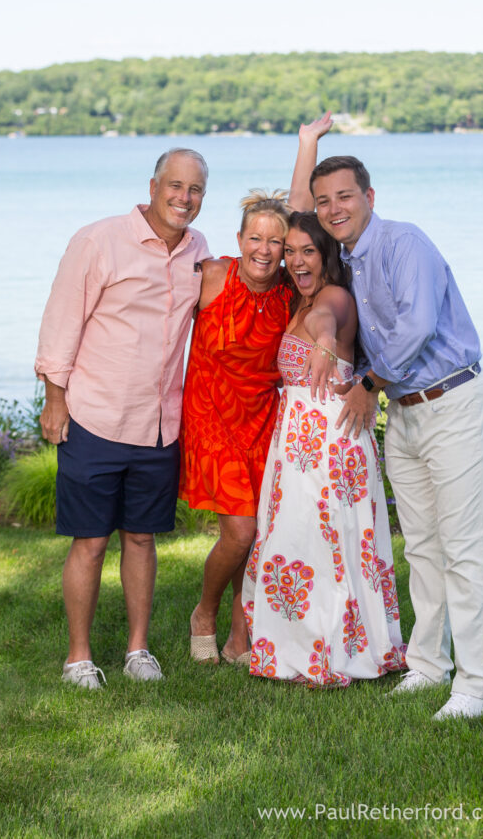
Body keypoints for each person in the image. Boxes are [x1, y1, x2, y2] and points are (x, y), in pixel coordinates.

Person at [289, 115, 483, 719]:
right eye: (325, 201)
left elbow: (417, 326)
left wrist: (368, 383)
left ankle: (475, 686)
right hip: (404, 413)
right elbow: (294, 216)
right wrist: (307, 145)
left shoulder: (404, 243)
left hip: (451, 402)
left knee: (464, 550)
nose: (333, 209)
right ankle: (428, 665)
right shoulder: (345, 257)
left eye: (345, 196)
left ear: (369, 197)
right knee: (423, 548)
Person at [35, 148, 211, 689]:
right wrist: (55, 399)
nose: (184, 198)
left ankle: (138, 649)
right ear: (153, 186)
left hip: (159, 425)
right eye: (175, 186)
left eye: (195, 189)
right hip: (96, 416)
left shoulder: (199, 251)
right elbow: (61, 320)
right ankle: (78, 658)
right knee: (90, 541)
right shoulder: (99, 241)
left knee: (141, 539)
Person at [242, 212, 407, 685]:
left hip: (326, 443)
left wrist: (326, 337)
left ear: (327, 254)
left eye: (308, 251)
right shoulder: (302, 298)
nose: (296, 260)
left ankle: (324, 652)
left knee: (318, 545)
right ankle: (305, 644)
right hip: (301, 441)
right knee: (302, 541)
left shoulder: (332, 297)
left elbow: (326, 318)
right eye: (290, 251)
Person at [180, 191, 292, 665]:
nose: (263, 250)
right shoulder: (210, 276)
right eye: (255, 238)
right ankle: (204, 613)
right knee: (241, 532)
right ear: (239, 239)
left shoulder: (290, 291)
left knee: (260, 531)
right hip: (211, 417)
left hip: (262, 418)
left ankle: (239, 633)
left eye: (275, 241)